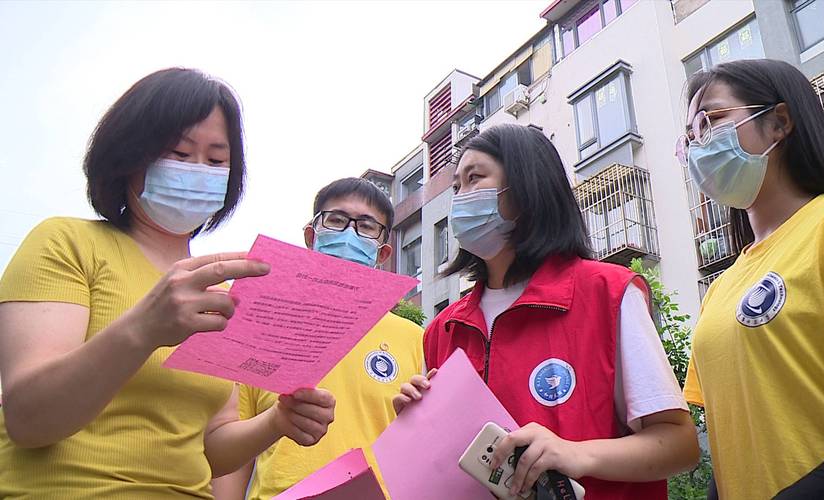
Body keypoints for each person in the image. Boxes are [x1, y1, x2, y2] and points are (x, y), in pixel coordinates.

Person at [0, 68, 335, 499]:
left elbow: (211, 447)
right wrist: (142, 330)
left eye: (217, 160)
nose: (199, 171)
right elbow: (29, 418)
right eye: (179, 153)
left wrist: (276, 423)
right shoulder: (65, 242)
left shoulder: (218, 295)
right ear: (127, 156)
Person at [394, 124, 699, 499]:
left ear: (526, 188)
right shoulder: (443, 329)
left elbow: (680, 444)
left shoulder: (609, 293)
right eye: (456, 186)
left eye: (474, 178)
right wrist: (417, 426)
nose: (460, 199)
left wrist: (575, 454)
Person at [677, 58, 824, 499]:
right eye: (690, 137)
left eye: (711, 120)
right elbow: (733, 442)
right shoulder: (719, 289)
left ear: (779, 123)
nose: (700, 146)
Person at [216, 178, 424, 500]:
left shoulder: (414, 339)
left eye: (367, 227)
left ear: (383, 252)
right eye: (337, 221)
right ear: (312, 235)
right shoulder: (261, 325)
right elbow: (230, 453)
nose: (349, 235)